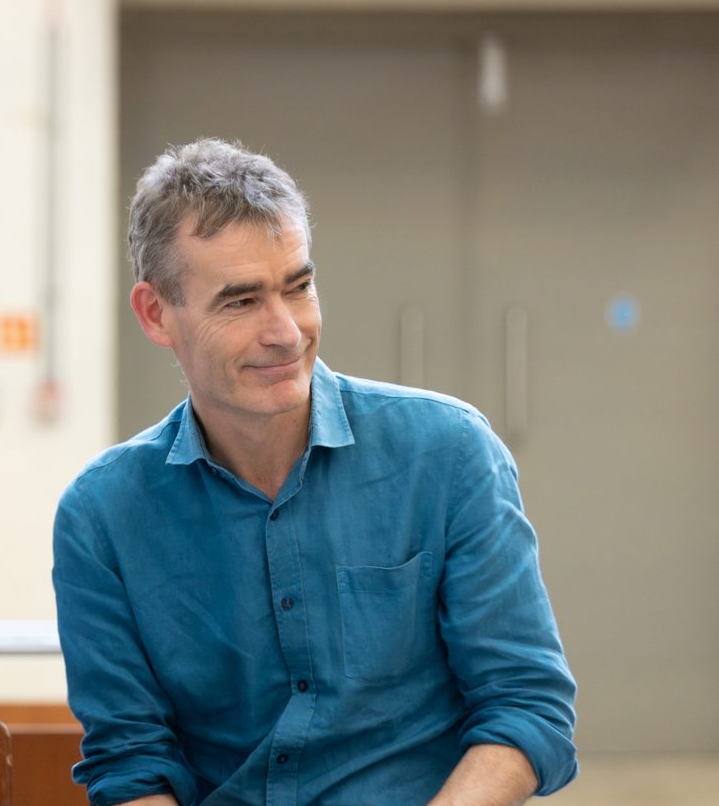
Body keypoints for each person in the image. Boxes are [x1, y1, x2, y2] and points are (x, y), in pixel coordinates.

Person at [52, 138, 578, 806]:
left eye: (298, 287)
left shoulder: (447, 455)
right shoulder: (102, 518)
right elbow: (131, 763)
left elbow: (528, 708)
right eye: (240, 302)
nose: (286, 331)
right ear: (157, 313)